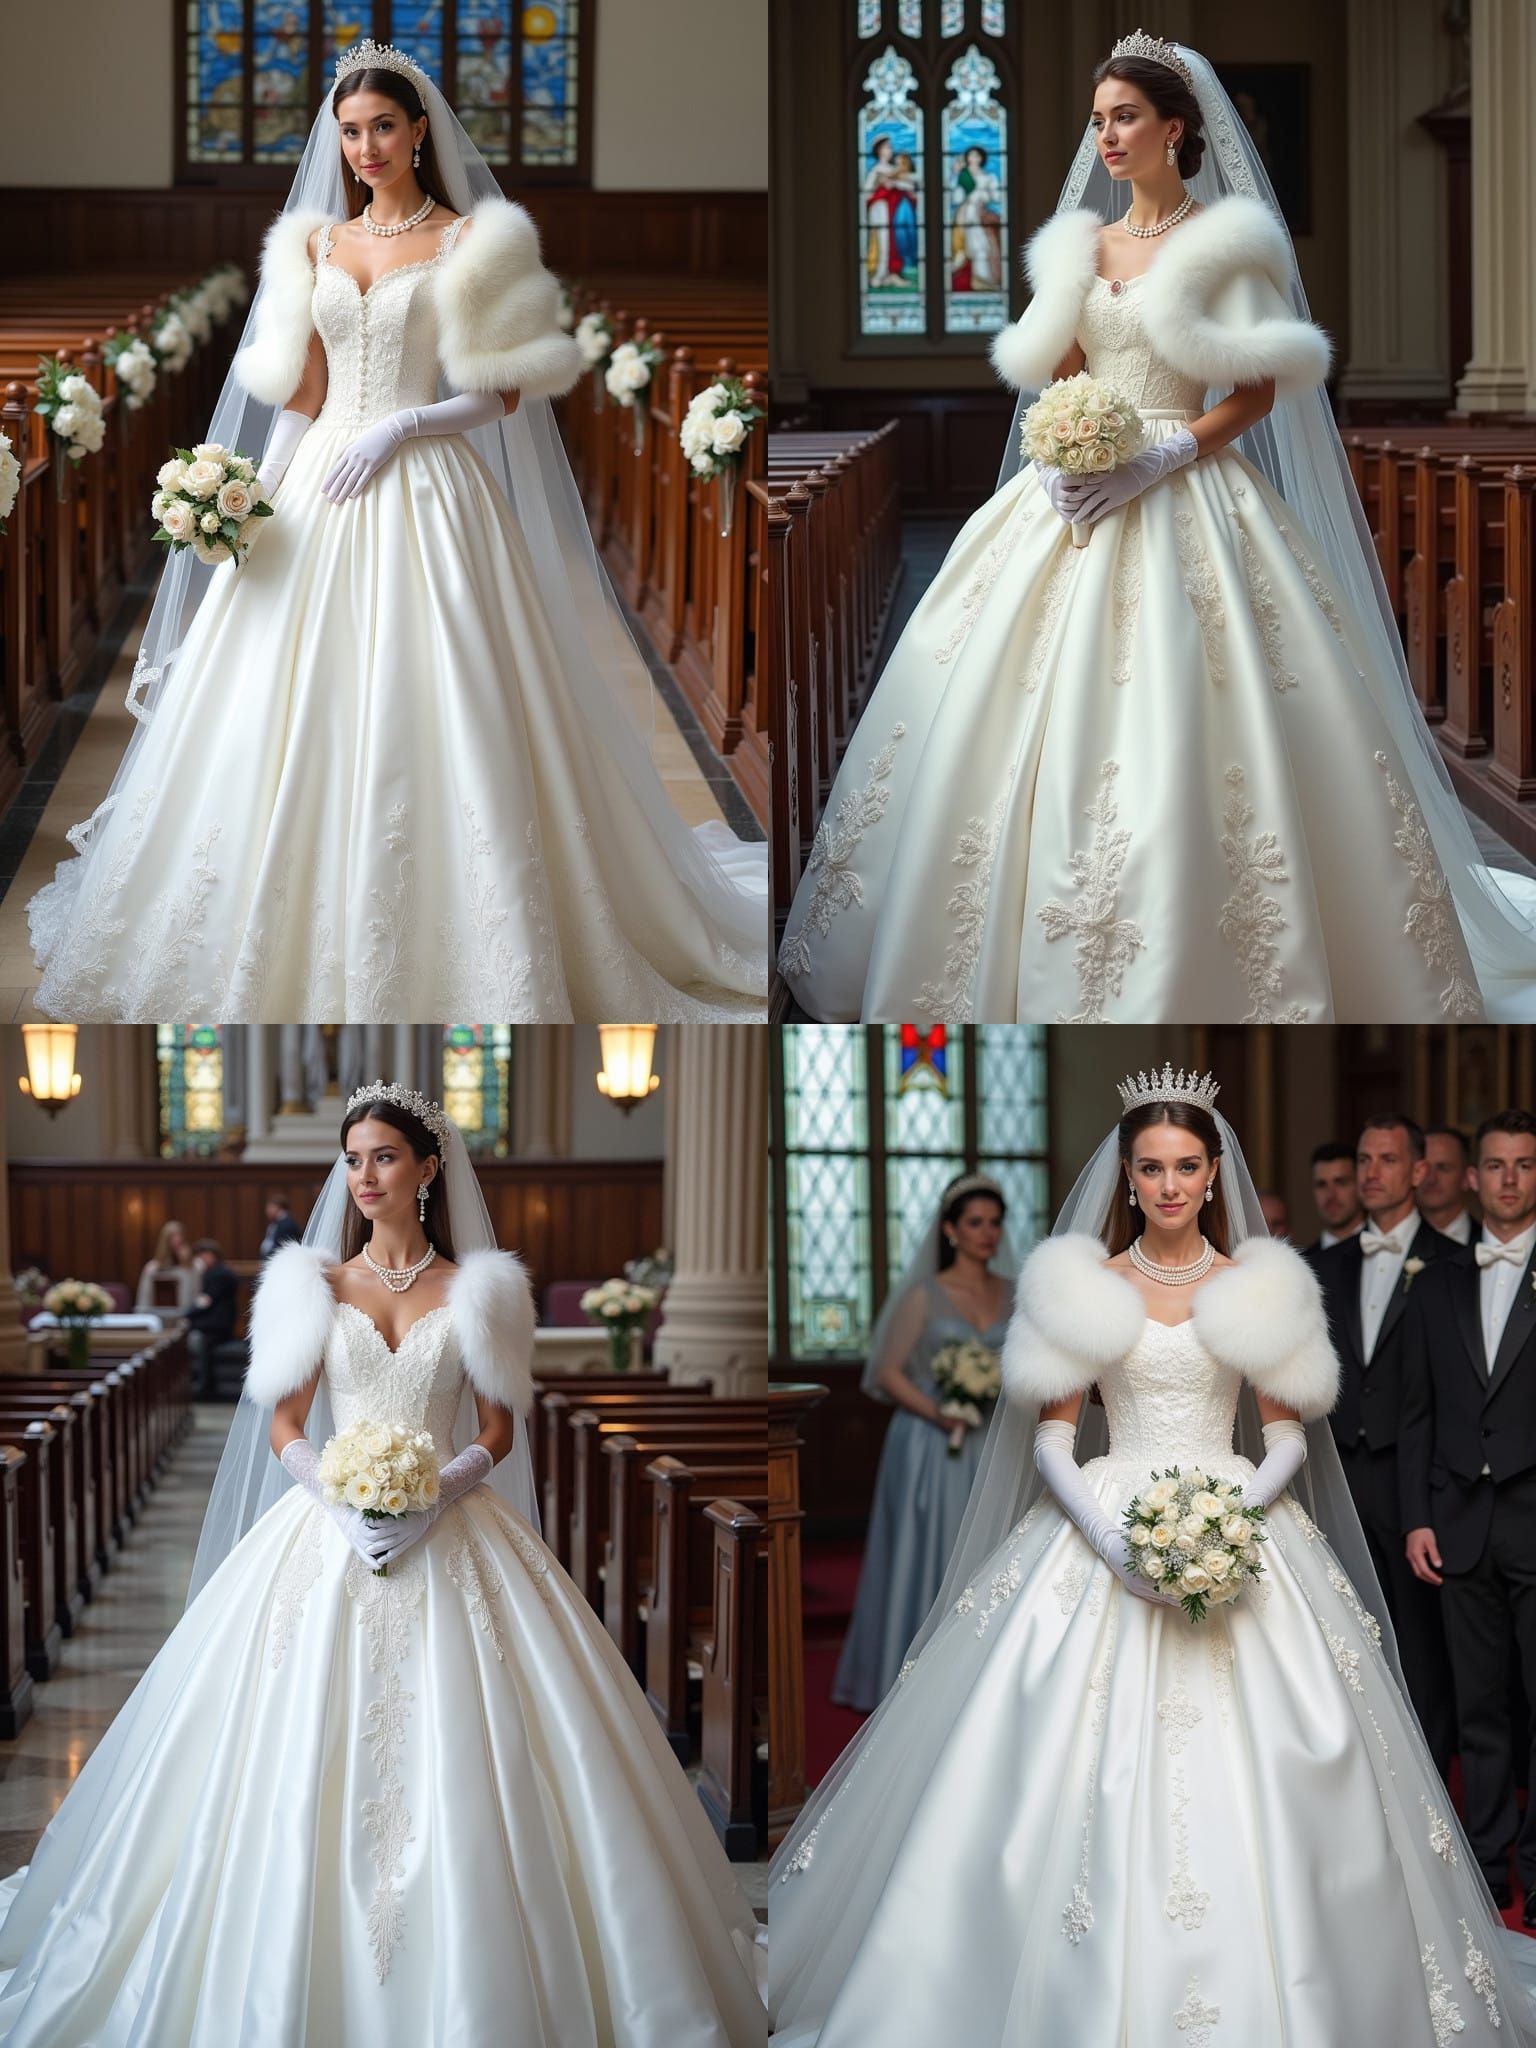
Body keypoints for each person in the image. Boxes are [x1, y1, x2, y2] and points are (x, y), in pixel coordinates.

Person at [776, 32, 1536, 1024]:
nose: (1107, 137)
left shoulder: (1225, 246)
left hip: (1190, 486)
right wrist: (1061, 455)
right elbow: (1059, 372)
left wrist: (1164, 453)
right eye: (1097, 122)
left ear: (1178, 128)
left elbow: (1260, 389)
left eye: (1125, 116)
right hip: (1075, 496)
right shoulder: (1079, 248)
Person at [770, 1068, 1536, 2045]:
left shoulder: (1259, 1284)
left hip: (1235, 1516)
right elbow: (1054, 1437)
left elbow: (1289, 1439)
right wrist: (1117, 1542)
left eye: (1185, 1165)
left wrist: (1230, 1514)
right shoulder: (1080, 1284)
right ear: (1127, 1178)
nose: (1169, 1184)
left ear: (1213, 1171)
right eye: (1150, 1167)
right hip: (1108, 1513)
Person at [0, 1082, 762, 2044]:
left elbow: (497, 1426)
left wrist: (435, 1493)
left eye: (385, 1158)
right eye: (353, 1159)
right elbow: (281, 1420)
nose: (365, 1176)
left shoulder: (481, 1289)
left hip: (454, 1530)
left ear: (429, 1168)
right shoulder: (311, 1285)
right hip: (325, 1537)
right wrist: (338, 1496)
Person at [25, 38, 766, 1025]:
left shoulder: (473, 241)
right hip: (318, 486)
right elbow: (303, 396)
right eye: (349, 132)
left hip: (426, 483)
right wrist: (250, 496)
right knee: (270, 707)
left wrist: (406, 426)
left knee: (450, 698)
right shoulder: (317, 245)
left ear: (419, 130)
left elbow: (500, 393)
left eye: (382, 127)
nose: (365, 146)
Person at [1402, 1109, 1536, 1919]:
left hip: (1535, 1518)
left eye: (1524, 1164)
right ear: (1473, 1177)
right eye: (1497, 1164)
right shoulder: (1437, 1279)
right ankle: (1486, 1873)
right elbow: (1416, 1412)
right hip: (1456, 1524)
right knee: (1478, 1709)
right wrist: (1417, 1515)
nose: (1510, 1178)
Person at [831, 1175, 1014, 1713]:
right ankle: (915, 1673)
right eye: (975, 1223)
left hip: (992, 1439)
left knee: (993, 1546)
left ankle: (984, 1671)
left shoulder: (1015, 1290)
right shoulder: (923, 1294)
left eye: (995, 1223)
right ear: (951, 1230)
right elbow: (887, 1373)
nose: (987, 1233)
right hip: (932, 1443)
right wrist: (941, 1412)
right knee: (929, 1549)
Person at [1313, 1114, 1457, 1771]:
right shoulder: (1322, 1265)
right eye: (1364, 1159)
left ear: (1419, 1171)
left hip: (1417, 1477)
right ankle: (1353, 1768)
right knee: (1338, 1630)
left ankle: (1422, 1777)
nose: (1370, 1172)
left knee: (1422, 1643)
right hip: (1337, 1468)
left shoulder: (1457, 1262)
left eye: (1387, 1160)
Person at [184, 1237, 239, 1396]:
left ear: (210, 1255)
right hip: (214, 1322)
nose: (200, 1260)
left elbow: (206, 1300)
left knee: (202, 1342)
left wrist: (187, 1316)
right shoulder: (218, 1272)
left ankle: (204, 1385)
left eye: (201, 1255)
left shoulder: (219, 1275)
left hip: (217, 1325)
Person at [1304, 1138, 1365, 1253]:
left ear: (1360, 1184)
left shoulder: (1382, 1247)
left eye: (1341, 1182)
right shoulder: (1303, 1263)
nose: (1330, 1195)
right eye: (1321, 1185)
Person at [1422, 1125, 1476, 1245]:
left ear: (1467, 1177)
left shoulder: (1490, 1244)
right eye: (1424, 1169)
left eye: (1443, 1168)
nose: (1431, 1179)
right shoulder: (1393, 1243)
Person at [134, 1219, 197, 1310]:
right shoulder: (153, 1267)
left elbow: (196, 1291)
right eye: (173, 1236)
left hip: (187, 1314)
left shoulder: (194, 1265)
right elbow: (145, 1297)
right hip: (161, 1312)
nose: (177, 1240)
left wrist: (186, 1264)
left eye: (179, 1235)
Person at [260, 1191, 302, 1260]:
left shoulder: (287, 1224)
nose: (267, 1210)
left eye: (270, 1207)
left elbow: (283, 1247)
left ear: (278, 1207)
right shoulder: (277, 1222)